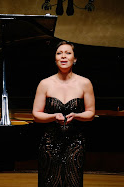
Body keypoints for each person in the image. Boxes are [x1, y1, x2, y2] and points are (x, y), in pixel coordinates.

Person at [32, 41, 95, 187]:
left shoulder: (85, 83)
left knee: (73, 182)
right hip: (49, 144)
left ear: (75, 59)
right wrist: (53, 117)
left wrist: (77, 115)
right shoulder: (45, 83)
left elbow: (91, 113)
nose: (63, 56)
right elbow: (36, 114)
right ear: (55, 59)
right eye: (59, 53)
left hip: (75, 144)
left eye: (68, 53)